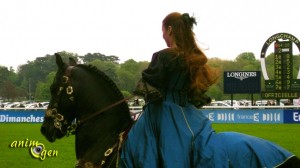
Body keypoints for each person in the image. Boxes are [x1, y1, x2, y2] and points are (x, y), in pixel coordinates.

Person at [119, 12, 300, 168]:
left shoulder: (163, 56)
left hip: (165, 115)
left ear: (170, 29)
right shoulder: (193, 57)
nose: (162, 36)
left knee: (138, 149)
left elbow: (149, 88)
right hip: (189, 115)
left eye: (162, 31)